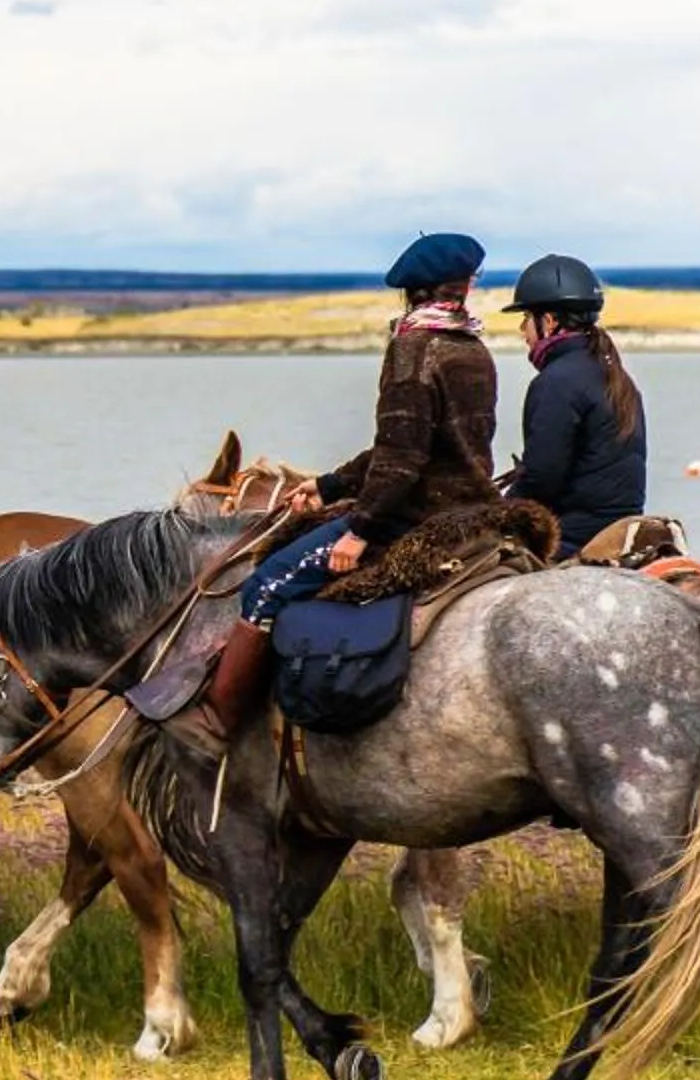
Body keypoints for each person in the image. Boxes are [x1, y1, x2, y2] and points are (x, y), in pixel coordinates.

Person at [178, 230, 499, 756]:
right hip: (471, 511)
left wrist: (358, 529)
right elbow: (409, 446)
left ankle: (218, 721)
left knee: (265, 584)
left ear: (412, 291)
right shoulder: (473, 349)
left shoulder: (413, 350)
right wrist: (328, 486)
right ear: (462, 288)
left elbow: (402, 459)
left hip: (413, 517)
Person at [500, 253, 647, 555]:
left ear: (549, 322)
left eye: (526, 318)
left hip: (574, 535)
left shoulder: (555, 382)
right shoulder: (616, 374)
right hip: (621, 526)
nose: (522, 330)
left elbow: (542, 479)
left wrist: (497, 512)